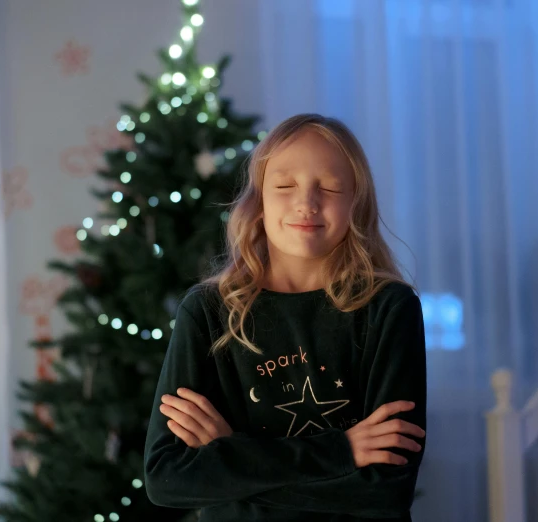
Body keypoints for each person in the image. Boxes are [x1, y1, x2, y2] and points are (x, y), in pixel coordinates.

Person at [144, 113, 427, 521]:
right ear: (257, 201)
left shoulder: (389, 309)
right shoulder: (207, 311)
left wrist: (231, 453)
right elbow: (167, 477)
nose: (306, 203)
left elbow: (387, 491)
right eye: (283, 185)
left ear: (357, 201)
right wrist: (342, 452)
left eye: (329, 187)